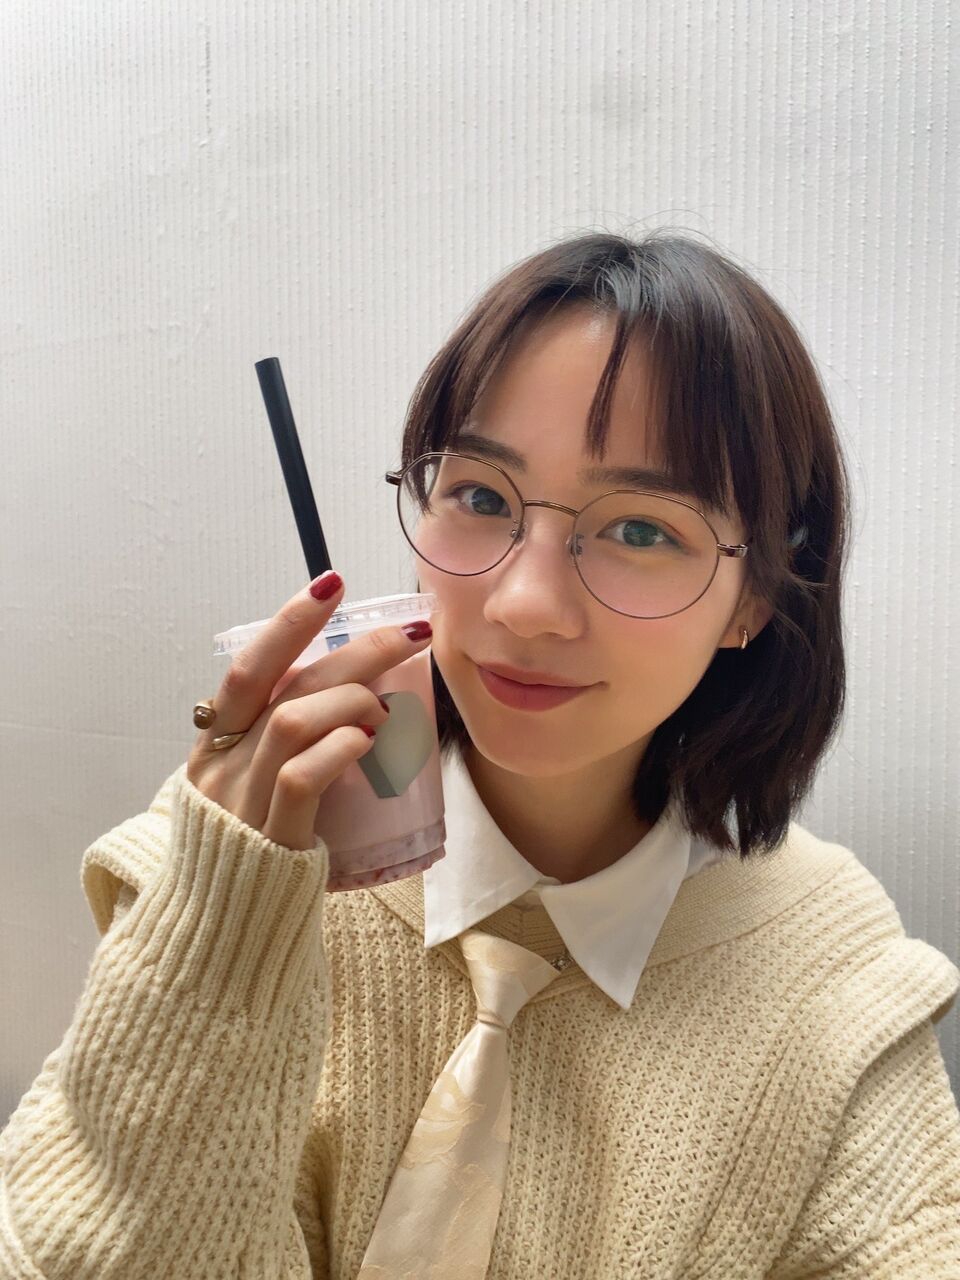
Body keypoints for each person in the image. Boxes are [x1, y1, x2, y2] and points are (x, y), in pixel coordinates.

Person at [2, 231, 958, 1278]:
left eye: (643, 529)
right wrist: (219, 924)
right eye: (483, 497)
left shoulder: (824, 974)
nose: (524, 603)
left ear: (757, 598)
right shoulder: (235, 856)